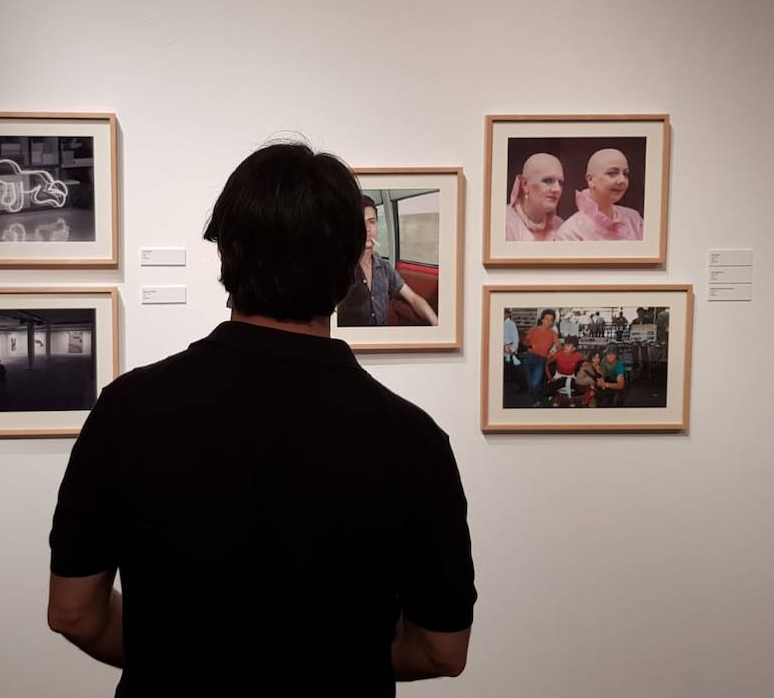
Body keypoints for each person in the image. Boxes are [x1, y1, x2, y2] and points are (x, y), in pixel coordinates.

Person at [47, 142, 476, 695]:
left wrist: (182, 649)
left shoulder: (126, 410)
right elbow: (442, 648)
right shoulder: (414, 439)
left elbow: (75, 613)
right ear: (351, 266)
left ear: (225, 254)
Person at [335, 195, 439, 327]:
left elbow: (413, 298)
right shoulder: (340, 269)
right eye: (360, 222)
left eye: (372, 222)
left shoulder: (385, 268)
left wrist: (435, 321)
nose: (367, 229)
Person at [555, 148, 644, 241]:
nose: (622, 180)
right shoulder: (571, 232)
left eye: (625, 174)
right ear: (591, 180)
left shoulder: (634, 219)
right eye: (612, 173)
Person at [505, 152, 564, 241]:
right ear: (525, 184)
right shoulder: (503, 223)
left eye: (560, 183)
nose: (557, 189)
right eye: (548, 181)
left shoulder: (560, 226)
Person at [520, 309, 560, 404]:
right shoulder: (534, 330)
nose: (548, 322)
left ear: (553, 322)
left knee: (535, 382)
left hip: (541, 359)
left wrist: (554, 351)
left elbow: (559, 346)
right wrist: (529, 346)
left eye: (551, 320)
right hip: (529, 357)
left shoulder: (553, 334)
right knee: (530, 383)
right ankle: (535, 400)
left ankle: (537, 399)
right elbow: (524, 341)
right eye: (546, 319)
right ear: (542, 319)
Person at [545, 337, 584, 404]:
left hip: (571, 376)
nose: (565, 347)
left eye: (568, 346)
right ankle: (557, 395)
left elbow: (587, 362)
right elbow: (546, 364)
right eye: (565, 345)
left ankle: (572, 396)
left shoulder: (578, 356)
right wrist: (550, 377)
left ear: (574, 349)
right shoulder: (558, 354)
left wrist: (581, 376)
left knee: (582, 389)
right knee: (547, 390)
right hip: (559, 376)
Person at [503, 313, 524, 400]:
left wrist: (513, 349)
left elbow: (516, 338)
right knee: (506, 369)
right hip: (501, 348)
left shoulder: (511, 324)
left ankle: (522, 387)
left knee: (515, 368)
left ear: (507, 314)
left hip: (509, 348)